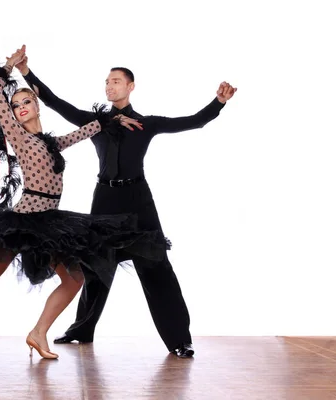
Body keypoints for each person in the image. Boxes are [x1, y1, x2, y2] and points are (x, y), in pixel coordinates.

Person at [0, 46, 167, 362]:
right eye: (17, 105)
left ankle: (38, 332)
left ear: (37, 105)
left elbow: (85, 132)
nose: (21, 107)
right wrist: (8, 67)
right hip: (24, 220)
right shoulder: (18, 136)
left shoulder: (53, 143)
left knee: (74, 280)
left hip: (51, 223)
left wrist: (115, 120)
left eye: (27, 101)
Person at [16, 47, 237, 358]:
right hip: (104, 200)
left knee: (156, 267)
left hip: (138, 202)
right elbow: (53, 101)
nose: (109, 86)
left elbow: (192, 121)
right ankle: (81, 330)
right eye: (107, 82)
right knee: (94, 268)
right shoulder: (96, 122)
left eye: (116, 81)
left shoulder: (147, 123)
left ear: (131, 86)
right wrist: (26, 72)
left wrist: (219, 103)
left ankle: (179, 340)